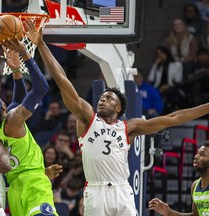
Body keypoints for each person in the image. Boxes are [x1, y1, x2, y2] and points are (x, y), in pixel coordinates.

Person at [24, 18, 209, 216]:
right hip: (97, 190)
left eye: (108, 98)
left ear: (118, 107)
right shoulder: (88, 118)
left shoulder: (129, 127)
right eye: (101, 98)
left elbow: (174, 118)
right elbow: (62, 81)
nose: (102, 100)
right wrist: (41, 44)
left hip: (122, 191)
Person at [0, 38, 59, 216]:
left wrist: (16, 71)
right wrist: (25, 53)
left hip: (15, 190)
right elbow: (41, 87)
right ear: (1, 107)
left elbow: (18, 100)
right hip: (34, 184)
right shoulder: (14, 120)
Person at [149, 140, 209, 215]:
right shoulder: (195, 186)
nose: (196, 156)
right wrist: (169, 213)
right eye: (197, 153)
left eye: (202, 154)